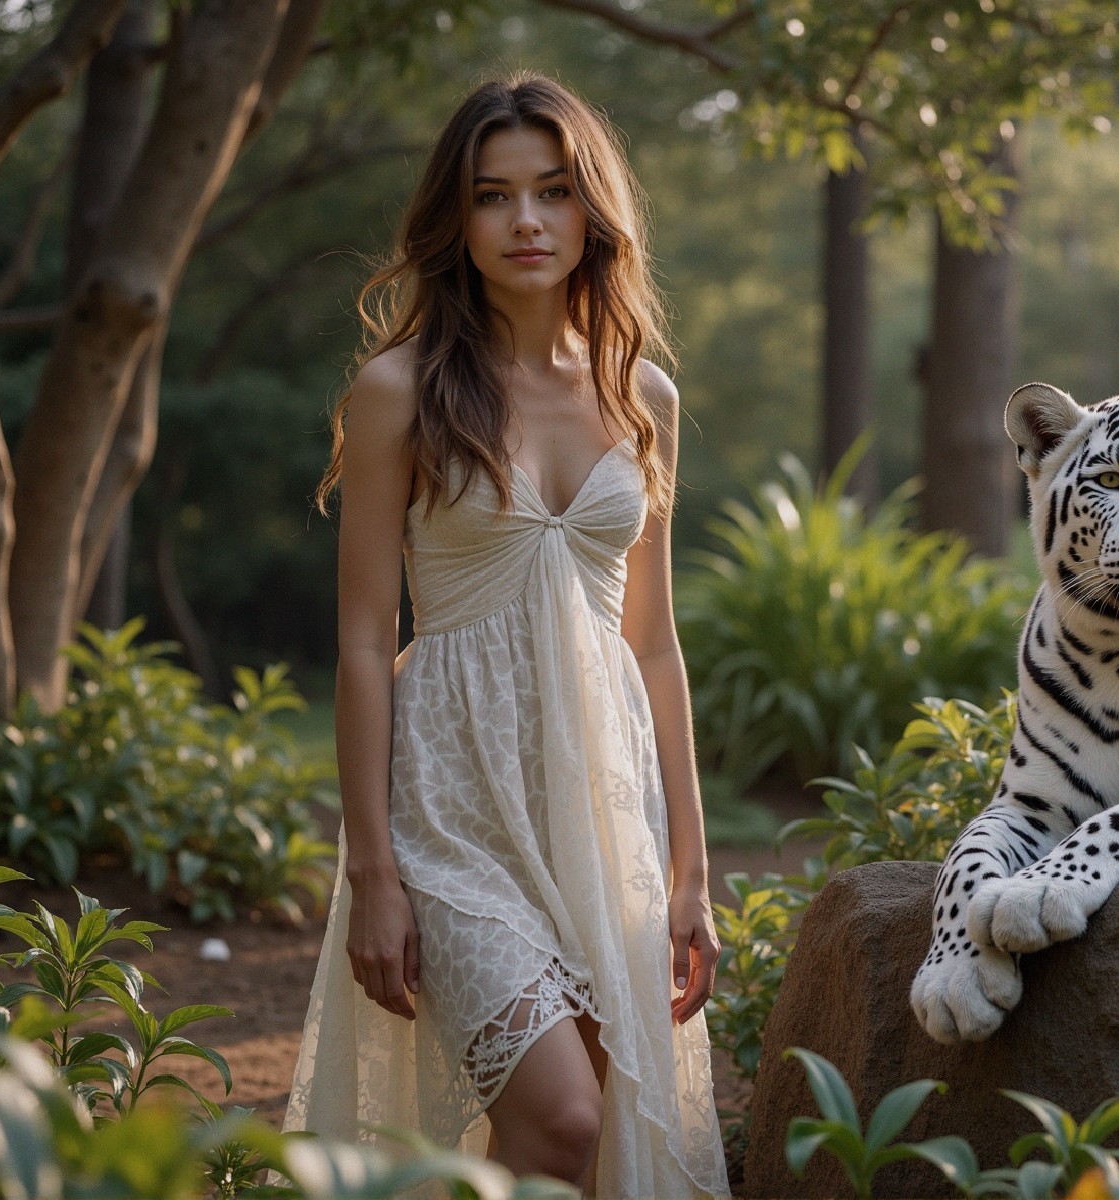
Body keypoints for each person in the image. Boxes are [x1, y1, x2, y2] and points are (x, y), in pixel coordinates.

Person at [282, 72, 730, 1197]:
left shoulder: (644, 397)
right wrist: (372, 869)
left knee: (574, 1139)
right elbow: (361, 643)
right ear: (458, 217)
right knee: (564, 1116)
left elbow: (653, 643)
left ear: (592, 211)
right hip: (453, 812)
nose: (525, 221)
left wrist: (689, 868)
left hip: (598, 811)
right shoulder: (400, 390)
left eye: (552, 191)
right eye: (493, 196)